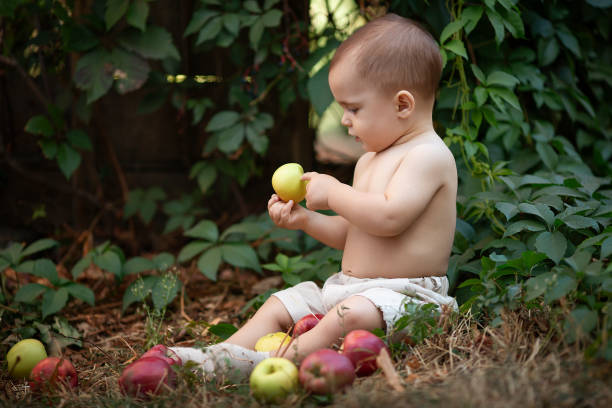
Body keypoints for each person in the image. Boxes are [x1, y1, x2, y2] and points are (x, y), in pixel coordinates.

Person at [170, 12, 458, 380]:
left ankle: (270, 364)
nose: (343, 120)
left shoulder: (428, 156)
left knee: (350, 315)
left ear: (403, 105)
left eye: (354, 108)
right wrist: (306, 219)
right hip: (351, 290)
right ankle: (220, 355)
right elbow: (356, 232)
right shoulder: (371, 159)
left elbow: (388, 219)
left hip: (404, 299)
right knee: (283, 301)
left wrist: (335, 192)